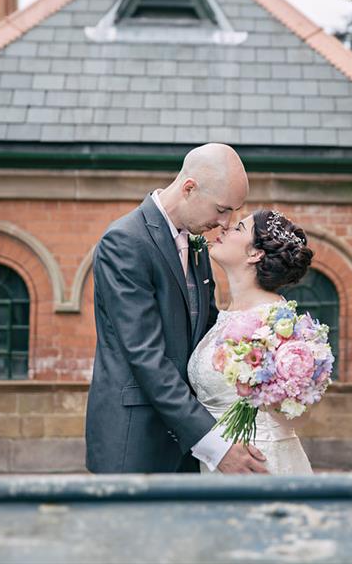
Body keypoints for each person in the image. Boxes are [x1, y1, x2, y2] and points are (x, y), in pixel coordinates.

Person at [85, 143, 268, 474]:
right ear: (189, 189)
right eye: (223, 209)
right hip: (136, 442)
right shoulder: (125, 242)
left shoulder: (196, 244)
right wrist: (216, 445)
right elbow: (146, 357)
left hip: (188, 443)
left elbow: (206, 336)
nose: (226, 223)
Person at [188, 209, 315, 474]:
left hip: (256, 462)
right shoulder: (224, 314)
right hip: (216, 462)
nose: (223, 229)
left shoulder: (276, 326)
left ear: (255, 254)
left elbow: (293, 411)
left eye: (237, 229)